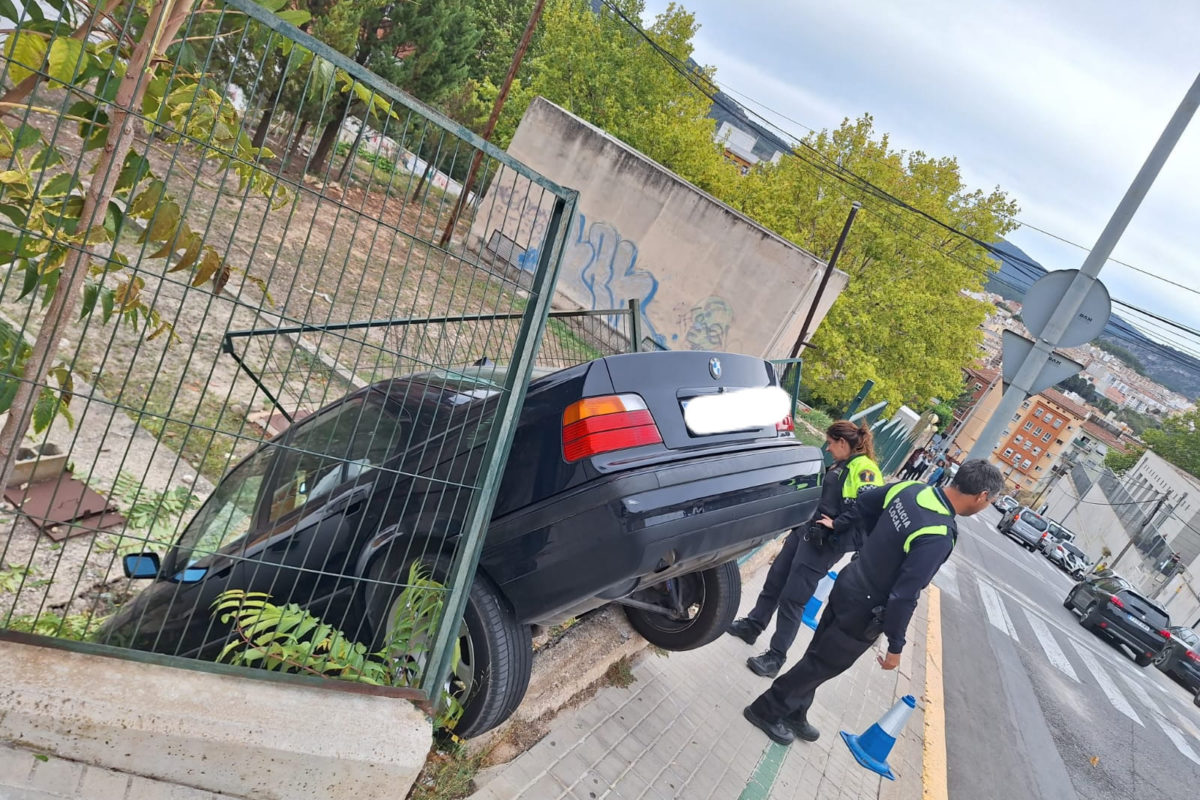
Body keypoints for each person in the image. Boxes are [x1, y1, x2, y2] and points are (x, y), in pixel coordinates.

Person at [742, 460, 1004, 745]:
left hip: (850, 580)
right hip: (865, 609)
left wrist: (847, 530)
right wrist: (896, 646)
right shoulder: (938, 534)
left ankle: (795, 711)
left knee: (819, 652)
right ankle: (766, 710)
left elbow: (865, 502)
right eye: (990, 501)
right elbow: (905, 595)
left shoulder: (911, 489)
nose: (986, 505)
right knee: (823, 663)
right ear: (981, 496)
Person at [726, 421, 884, 678]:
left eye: (831, 443)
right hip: (806, 531)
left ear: (843, 443)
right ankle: (753, 625)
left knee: (793, 598)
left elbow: (871, 504)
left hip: (825, 543)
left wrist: (838, 523)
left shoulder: (864, 467)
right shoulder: (844, 464)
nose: (829, 448)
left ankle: (776, 657)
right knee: (775, 580)